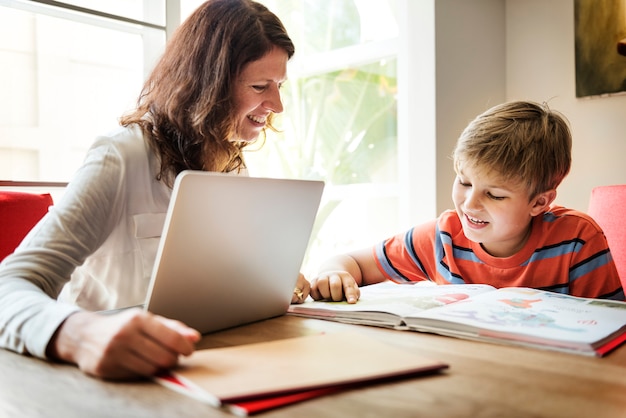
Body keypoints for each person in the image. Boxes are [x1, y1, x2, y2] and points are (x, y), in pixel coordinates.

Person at [0, 0, 309, 380]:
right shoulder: (121, 155)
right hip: (101, 380)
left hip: (197, 366)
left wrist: (269, 281)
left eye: (278, 86)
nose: (276, 104)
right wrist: (77, 334)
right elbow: (9, 287)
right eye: (261, 86)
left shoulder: (230, 164)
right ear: (208, 85)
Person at [309, 100, 624, 304]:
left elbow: (613, 331)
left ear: (539, 203)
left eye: (495, 194)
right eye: (464, 182)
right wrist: (333, 273)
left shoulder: (578, 242)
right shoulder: (443, 237)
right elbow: (351, 263)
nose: (470, 203)